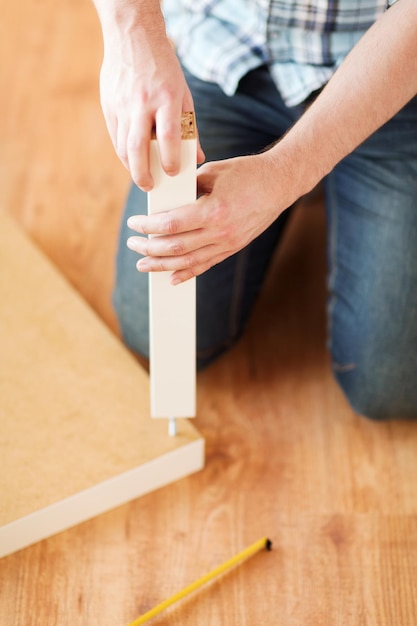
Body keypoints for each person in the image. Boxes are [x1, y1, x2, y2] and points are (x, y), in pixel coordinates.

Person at [92, 0, 417, 420]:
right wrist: (131, 31)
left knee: (390, 385)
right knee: (158, 334)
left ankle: (312, 177)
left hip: (388, 72)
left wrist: (285, 175)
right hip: (223, 46)